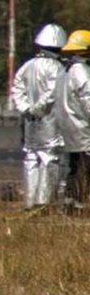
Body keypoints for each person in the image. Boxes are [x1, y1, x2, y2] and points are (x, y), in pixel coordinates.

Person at [10, 23, 67, 209]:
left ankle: (29, 201)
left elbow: (16, 88)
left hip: (31, 124)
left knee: (32, 159)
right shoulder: (57, 68)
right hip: (51, 124)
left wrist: (26, 109)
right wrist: (37, 109)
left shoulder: (28, 66)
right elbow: (53, 93)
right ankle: (44, 202)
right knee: (50, 160)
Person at [55, 29, 90, 205]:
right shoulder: (81, 71)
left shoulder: (65, 71)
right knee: (85, 167)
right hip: (83, 128)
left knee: (75, 166)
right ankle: (79, 202)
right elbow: (87, 100)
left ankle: (71, 201)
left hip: (70, 128)